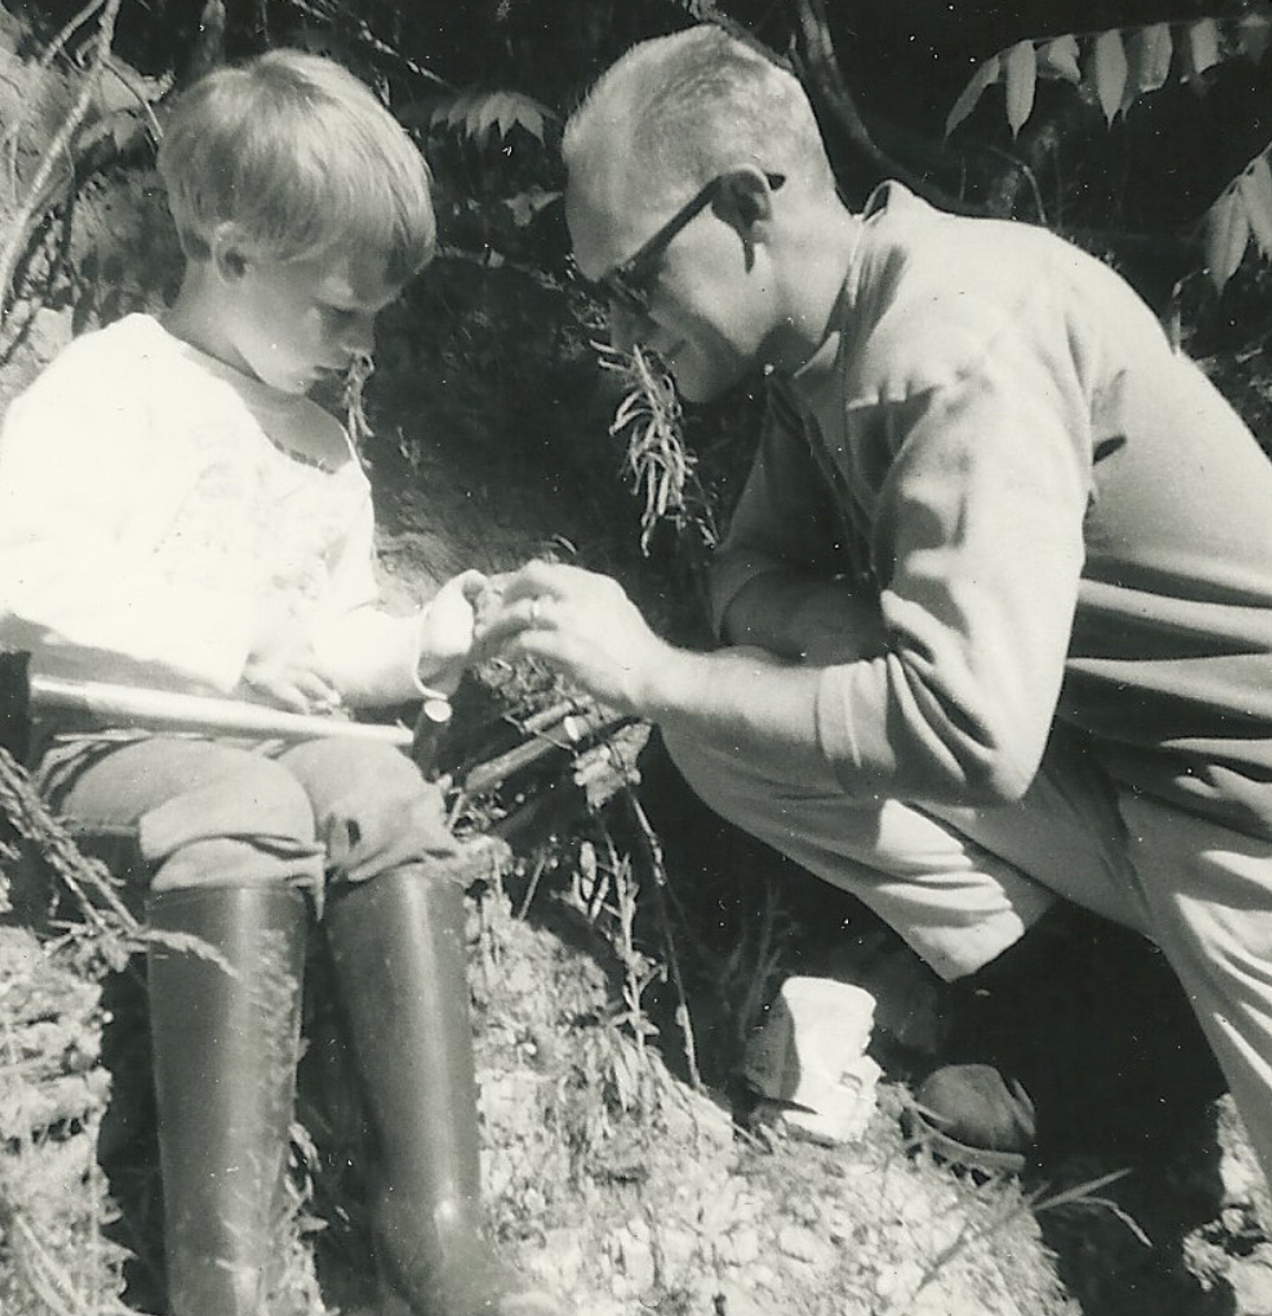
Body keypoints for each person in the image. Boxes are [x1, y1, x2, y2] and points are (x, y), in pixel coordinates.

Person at [474, 23, 1272, 1179]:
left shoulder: (950, 341)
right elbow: (744, 574)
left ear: (747, 207)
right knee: (721, 728)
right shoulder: (823, 346)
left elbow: (967, 735)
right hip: (1118, 773)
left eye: (635, 280)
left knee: (695, 697)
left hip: (1235, 810)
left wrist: (650, 672)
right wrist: (833, 633)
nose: (619, 326)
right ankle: (1093, 1014)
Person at [0, 51, 562, 1316]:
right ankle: (223, 1276)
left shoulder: (318, 438)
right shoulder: (115, 385)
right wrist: (224, 635)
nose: (361, 345)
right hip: (110, 733)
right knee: (245, 802)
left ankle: (440, 1232)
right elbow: (20, 575)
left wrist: (422, 644)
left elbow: (331, 637)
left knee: (384, 784)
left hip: (260, 737)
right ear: (233, 251)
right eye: (340, 311)